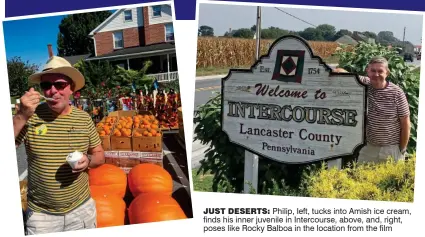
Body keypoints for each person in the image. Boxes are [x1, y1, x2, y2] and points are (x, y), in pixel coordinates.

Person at [13, 56, 105, 235]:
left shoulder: (83, 119)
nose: (52, 91)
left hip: (81, 210)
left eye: (60, 85)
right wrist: (21, 117)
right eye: (46, 86)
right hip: (42, 216)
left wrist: (88, 160)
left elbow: (100, 155)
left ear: (72, 88)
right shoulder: (30, 117)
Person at [334, 56, 411, 164]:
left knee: (390, 181)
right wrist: (333, 71)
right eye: (373, 71)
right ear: (368, 71)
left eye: (380, 71)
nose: (376, 74)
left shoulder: (397, 93)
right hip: (370, 148)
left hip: (391, 149)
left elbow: (406, 123)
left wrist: (401, 150)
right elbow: (343, 74)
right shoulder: (364, 83)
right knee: (361, 177)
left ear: (387, 73)